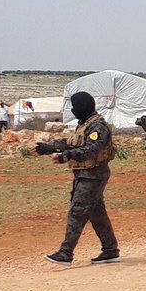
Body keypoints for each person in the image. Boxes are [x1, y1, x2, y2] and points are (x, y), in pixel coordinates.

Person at [36, 92, 121, 267]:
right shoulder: (84, 125)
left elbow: (92, 149)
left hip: (93, 175)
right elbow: (72, 142)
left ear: (83, 107)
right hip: (85, 174)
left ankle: (66, 253)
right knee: (97, 214)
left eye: (75, 107)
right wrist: (47, 148)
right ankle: (110, 250)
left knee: (78, 212)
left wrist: (66, 156)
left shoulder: (98, 127)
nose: (74, 110)